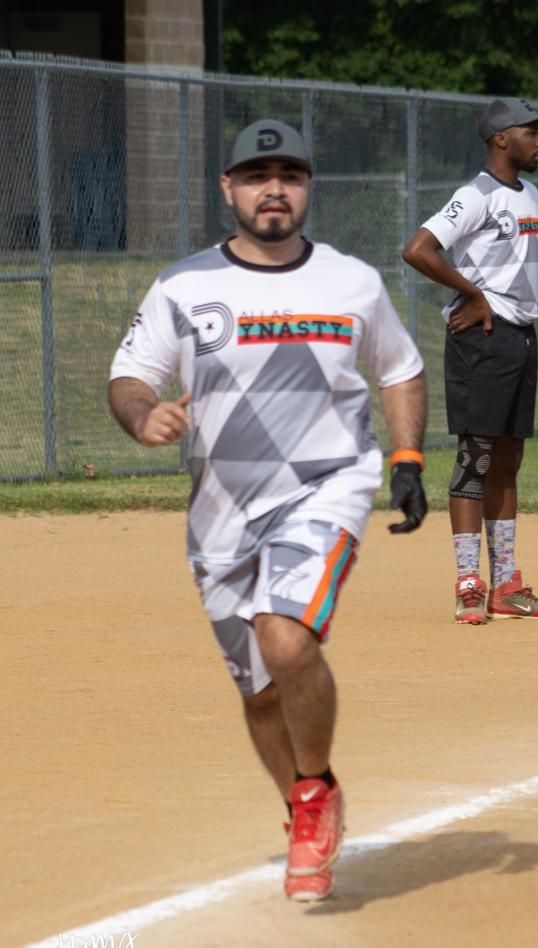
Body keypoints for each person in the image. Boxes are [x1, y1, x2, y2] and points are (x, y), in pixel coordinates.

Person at [108, 119, 427, 902]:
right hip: (221, 511)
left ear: (308, 187)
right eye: (256, 176)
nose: (273, 189)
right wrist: (142, 416)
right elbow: (130, 375)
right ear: (228, 189)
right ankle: (304, 809)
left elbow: (399, 368)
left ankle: (314, 790)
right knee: (258, 694)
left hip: (325, 487)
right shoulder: (183, 285)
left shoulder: (352, 282)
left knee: (285, 639)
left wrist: (406, 458)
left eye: (289, 175)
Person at [402, 97, 538, 625]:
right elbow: (418, 249)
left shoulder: (530, 194)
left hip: (520, 337)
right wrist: (472, 294)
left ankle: (506, 585)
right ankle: (469, 584)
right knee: (476, 458)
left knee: (509, 460)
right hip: (482, 339)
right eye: (530, 131)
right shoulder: (475, 195)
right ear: (501, 138)